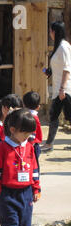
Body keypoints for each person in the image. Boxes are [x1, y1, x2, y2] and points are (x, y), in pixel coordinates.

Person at [41, 21, 71, 152]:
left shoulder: (64, 47)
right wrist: (49, 71)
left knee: (65, 116)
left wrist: (62, 88)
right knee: (54, 115)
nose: (50, 33)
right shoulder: (59, 46)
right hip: (59, 88)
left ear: (55, 32)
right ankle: (49, 144)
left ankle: (49, 144)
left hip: (65, 88)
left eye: (50, 31)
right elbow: (59, 66)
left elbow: (67, 68)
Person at [23, 91, 43, 172]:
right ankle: (35, 180)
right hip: (33, 145)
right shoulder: (34, 117)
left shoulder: (26, 116)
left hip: (29, 144)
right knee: (34, 166)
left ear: (23, 105)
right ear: (38, 107)